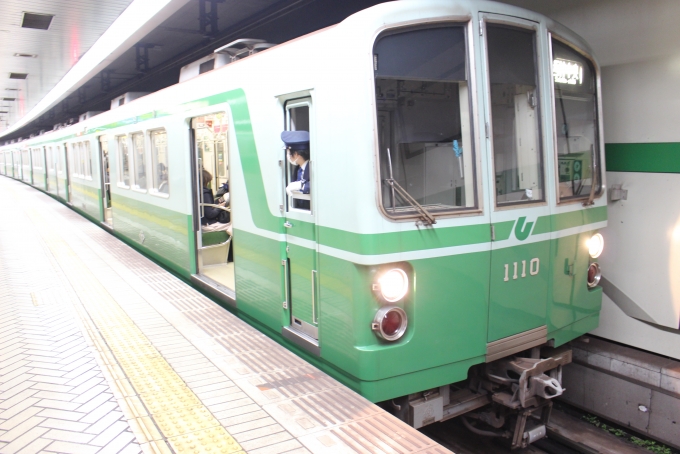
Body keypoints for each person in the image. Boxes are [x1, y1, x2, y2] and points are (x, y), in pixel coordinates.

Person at [281, 130, 310, 210]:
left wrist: (302, 185)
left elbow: (319, 185)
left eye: (289, 152)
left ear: (297, 154)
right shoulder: (298, 169)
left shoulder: (312, 168)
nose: (288, 155)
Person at [201, 169, 231, 234]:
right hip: (208, 225)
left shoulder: (198, 191)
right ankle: (229, 242)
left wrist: (216, 206)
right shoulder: (205, 193)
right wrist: (220, 208)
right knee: (234, 225)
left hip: (202, 223)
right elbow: (210, 214)